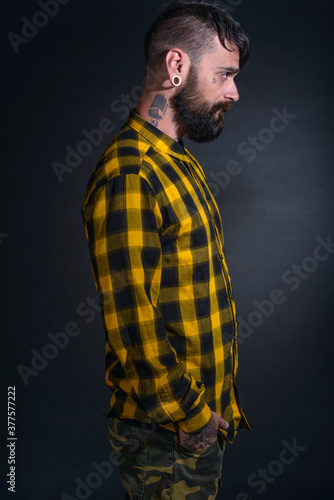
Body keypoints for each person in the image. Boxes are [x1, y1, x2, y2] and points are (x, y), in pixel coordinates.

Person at [81, 1, 251, 498]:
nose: (234, 92)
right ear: (177, 66)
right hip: (168, 433)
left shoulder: (178, 162)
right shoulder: (131, 171)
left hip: (198, 424)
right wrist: (192, 415)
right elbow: (133, 320)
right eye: (223, 75)